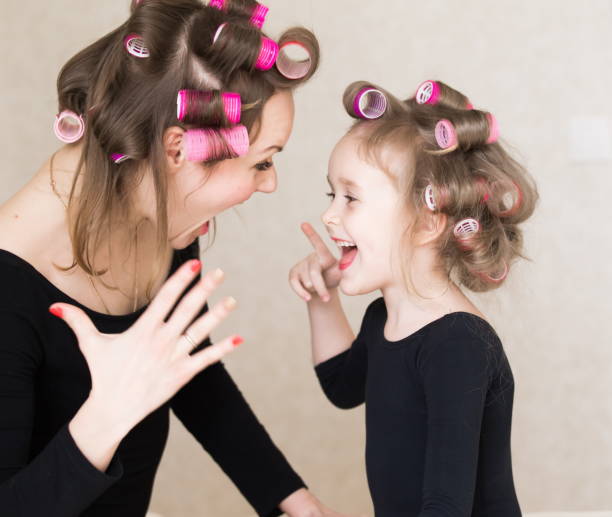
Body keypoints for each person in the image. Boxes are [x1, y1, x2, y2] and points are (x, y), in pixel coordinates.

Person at [0, 1, 356, 516]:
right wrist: (107, 416)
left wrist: (289, 499)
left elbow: (182, 368)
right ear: (177, 150)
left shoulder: (150, 203)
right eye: (263, 161)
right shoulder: (9, 292)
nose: (270, 182)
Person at [289, 79, 539, 516]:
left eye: (351, 198)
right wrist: (321, 299)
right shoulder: (381, 316)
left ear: (427, 222)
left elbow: (445, 506)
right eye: (332, 195)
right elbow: (343, 387)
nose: (329, 214)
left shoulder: (458, 344)